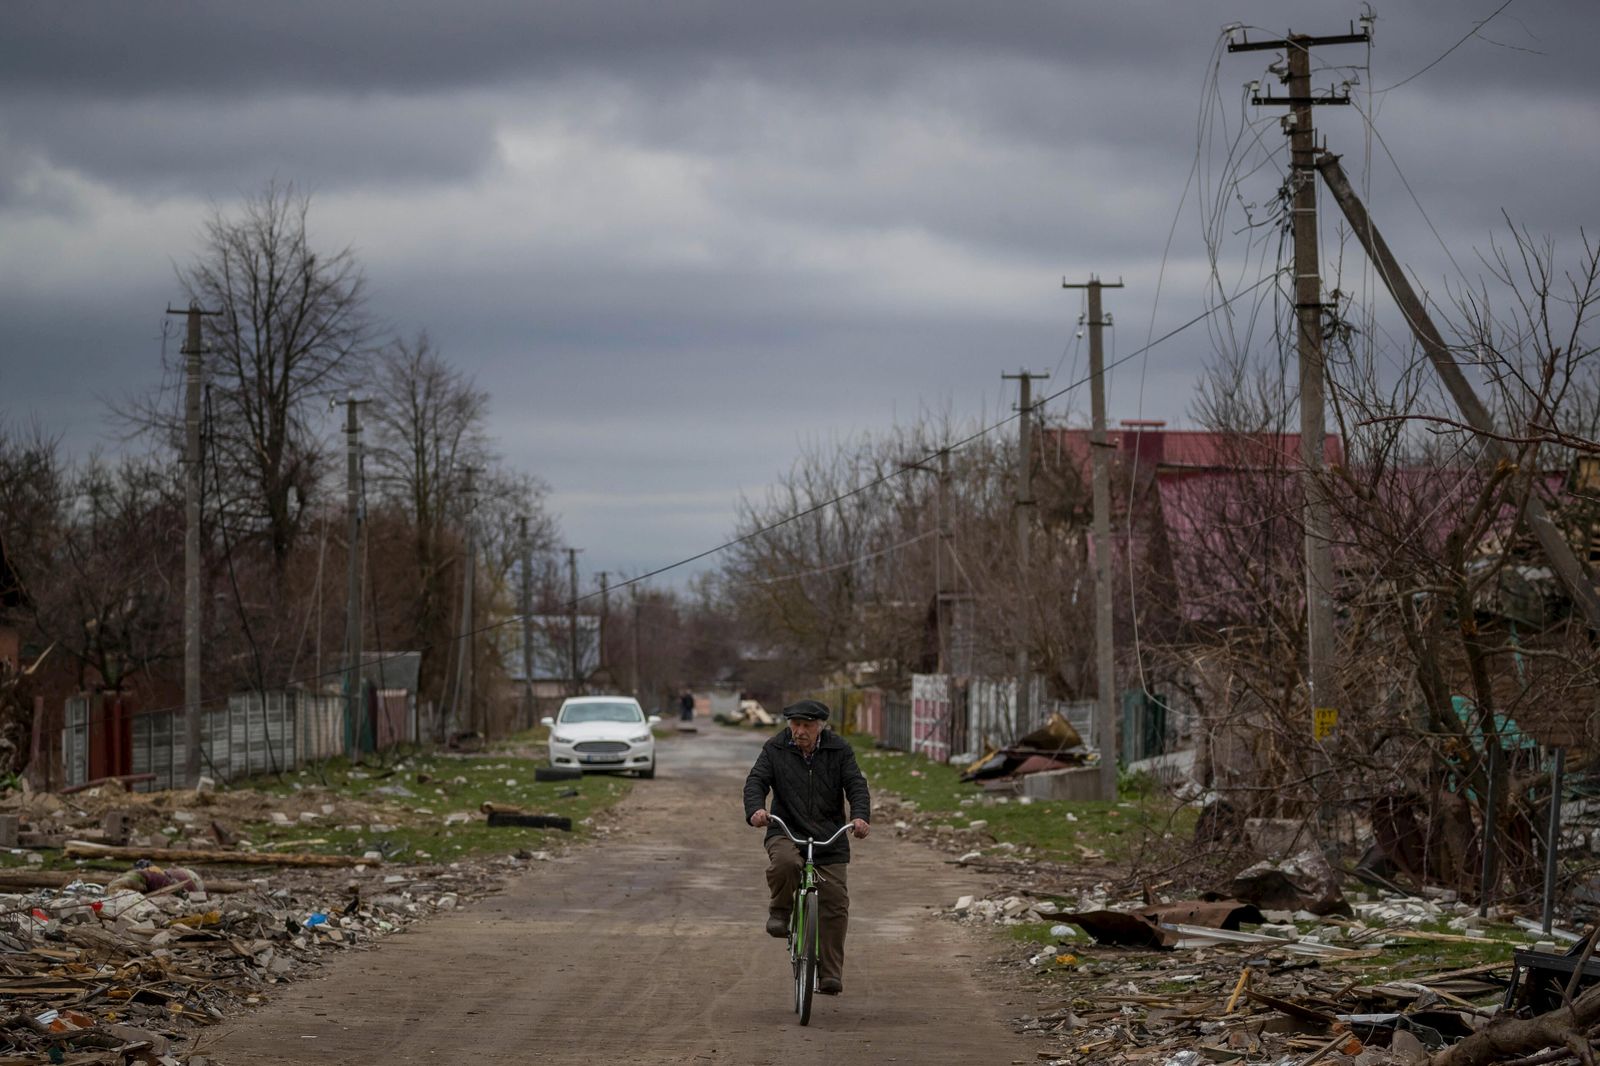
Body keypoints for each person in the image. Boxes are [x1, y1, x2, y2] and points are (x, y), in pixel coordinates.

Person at [742, 698, 870, 996]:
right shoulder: (775, 748)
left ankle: (830, 973)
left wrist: (861, 816)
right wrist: (756, 810)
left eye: (806, 726)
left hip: (830, 835)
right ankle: (780, 911)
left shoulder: (839, 749)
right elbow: (756, 781)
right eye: (795, 725)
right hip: (786, 829)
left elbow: (856, 784)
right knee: (786, 863)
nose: (799, 731)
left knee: (835, 903)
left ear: (820, 727)